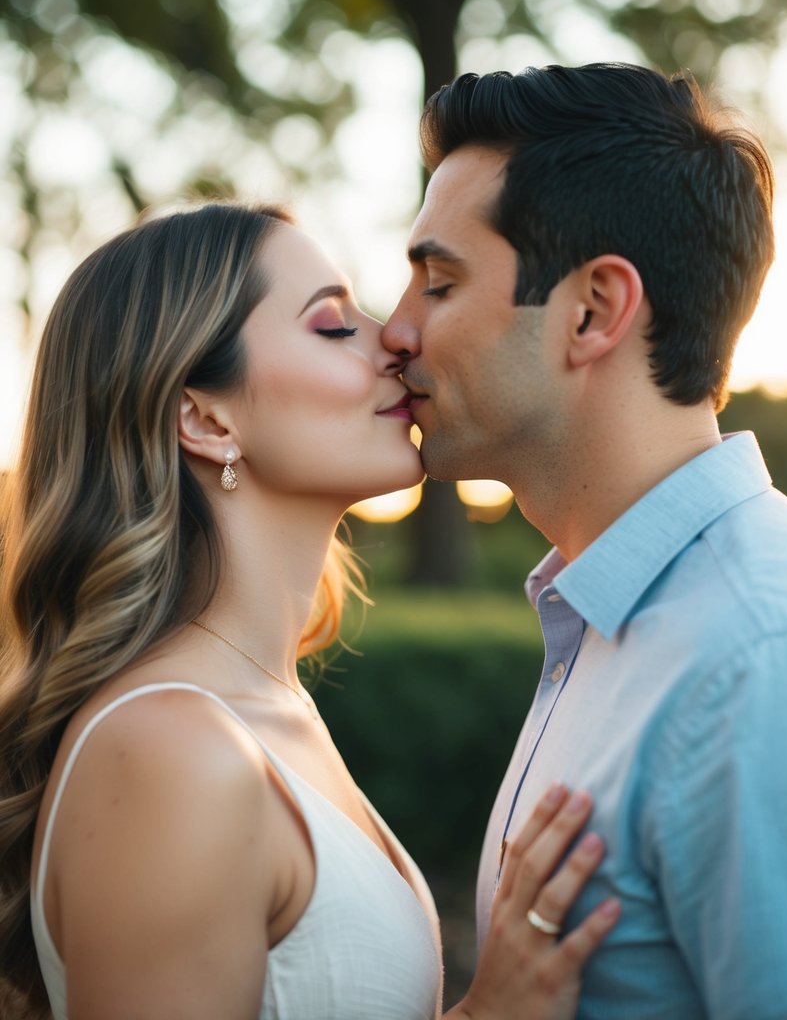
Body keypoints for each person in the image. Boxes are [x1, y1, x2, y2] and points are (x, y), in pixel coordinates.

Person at [0, 202, 621, 1020]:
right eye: (333, 326)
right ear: (206, 417)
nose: (396, 338)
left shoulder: (263, 708)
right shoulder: (167, 749)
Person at [381, 63, 787, 1018]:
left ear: (590, 311)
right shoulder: (601, 613)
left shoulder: (768, 655)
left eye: (437, 282)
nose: (396, 329)